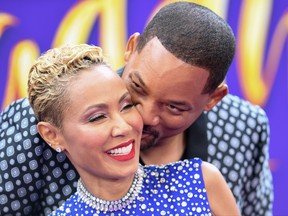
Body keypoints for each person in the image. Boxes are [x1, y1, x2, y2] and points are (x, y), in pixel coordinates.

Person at [0, 2, 272, 216]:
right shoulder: (33, 123)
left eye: (174, 108)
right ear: (131, 49)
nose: (141, 118)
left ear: (213, 98)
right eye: (136, 91)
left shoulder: (243, 129)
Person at [27, 43, 240, 215]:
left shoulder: (200, 182)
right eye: (97, 117)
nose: (123, 127)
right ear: (51, 135)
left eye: (127, 106)